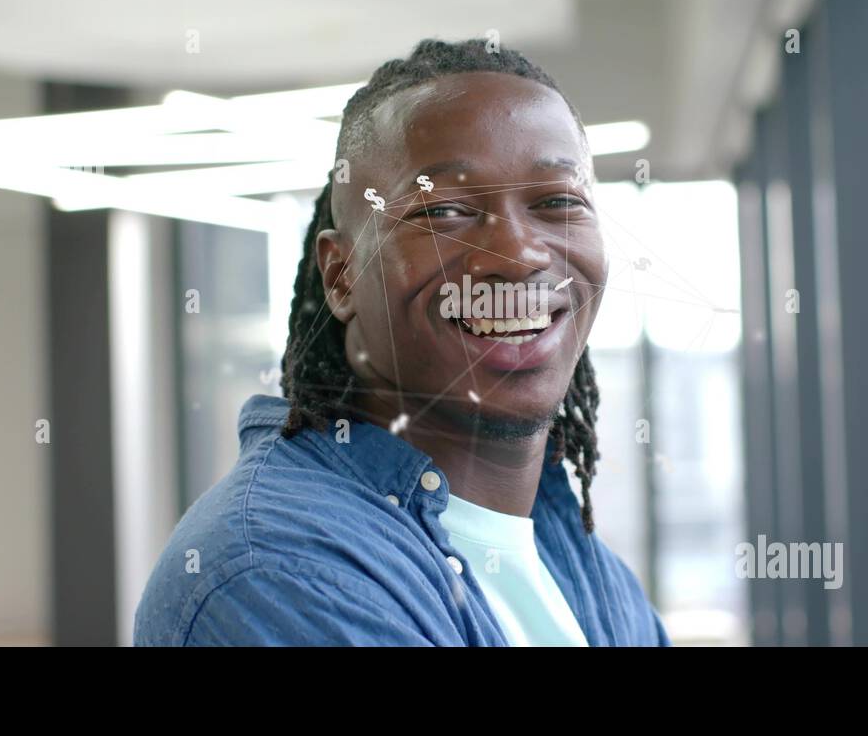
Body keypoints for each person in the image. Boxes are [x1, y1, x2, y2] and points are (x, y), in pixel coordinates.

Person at [134, 37, 671, 646]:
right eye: (443, 212)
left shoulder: (570, 550)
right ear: (342, 276)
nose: (520, 254)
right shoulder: (281, 573)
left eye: (556, 202)